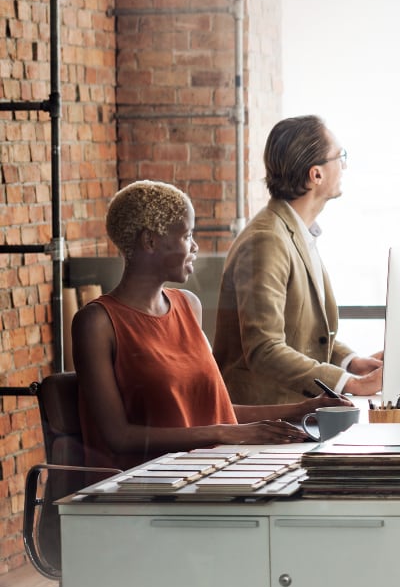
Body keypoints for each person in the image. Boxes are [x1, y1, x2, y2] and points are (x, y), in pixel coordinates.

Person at [75, 181, 347, 469]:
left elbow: (216, 410)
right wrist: (226, 433)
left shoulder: (188, 306)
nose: (195, 247)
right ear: (150, 241)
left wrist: (303, 409)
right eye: (187, 235)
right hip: (144, 485)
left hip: (206, 470)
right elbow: (119, 437)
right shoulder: (97, 323)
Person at [214, 115, 384, 404]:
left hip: (296, 410)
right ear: (315, 174)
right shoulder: (266, 239)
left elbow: (302, 334)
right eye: (339, 157)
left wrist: (350, 363)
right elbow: (264, 349)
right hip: (267, 416)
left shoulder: (296, 231)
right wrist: (350, 384)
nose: (344, 166)